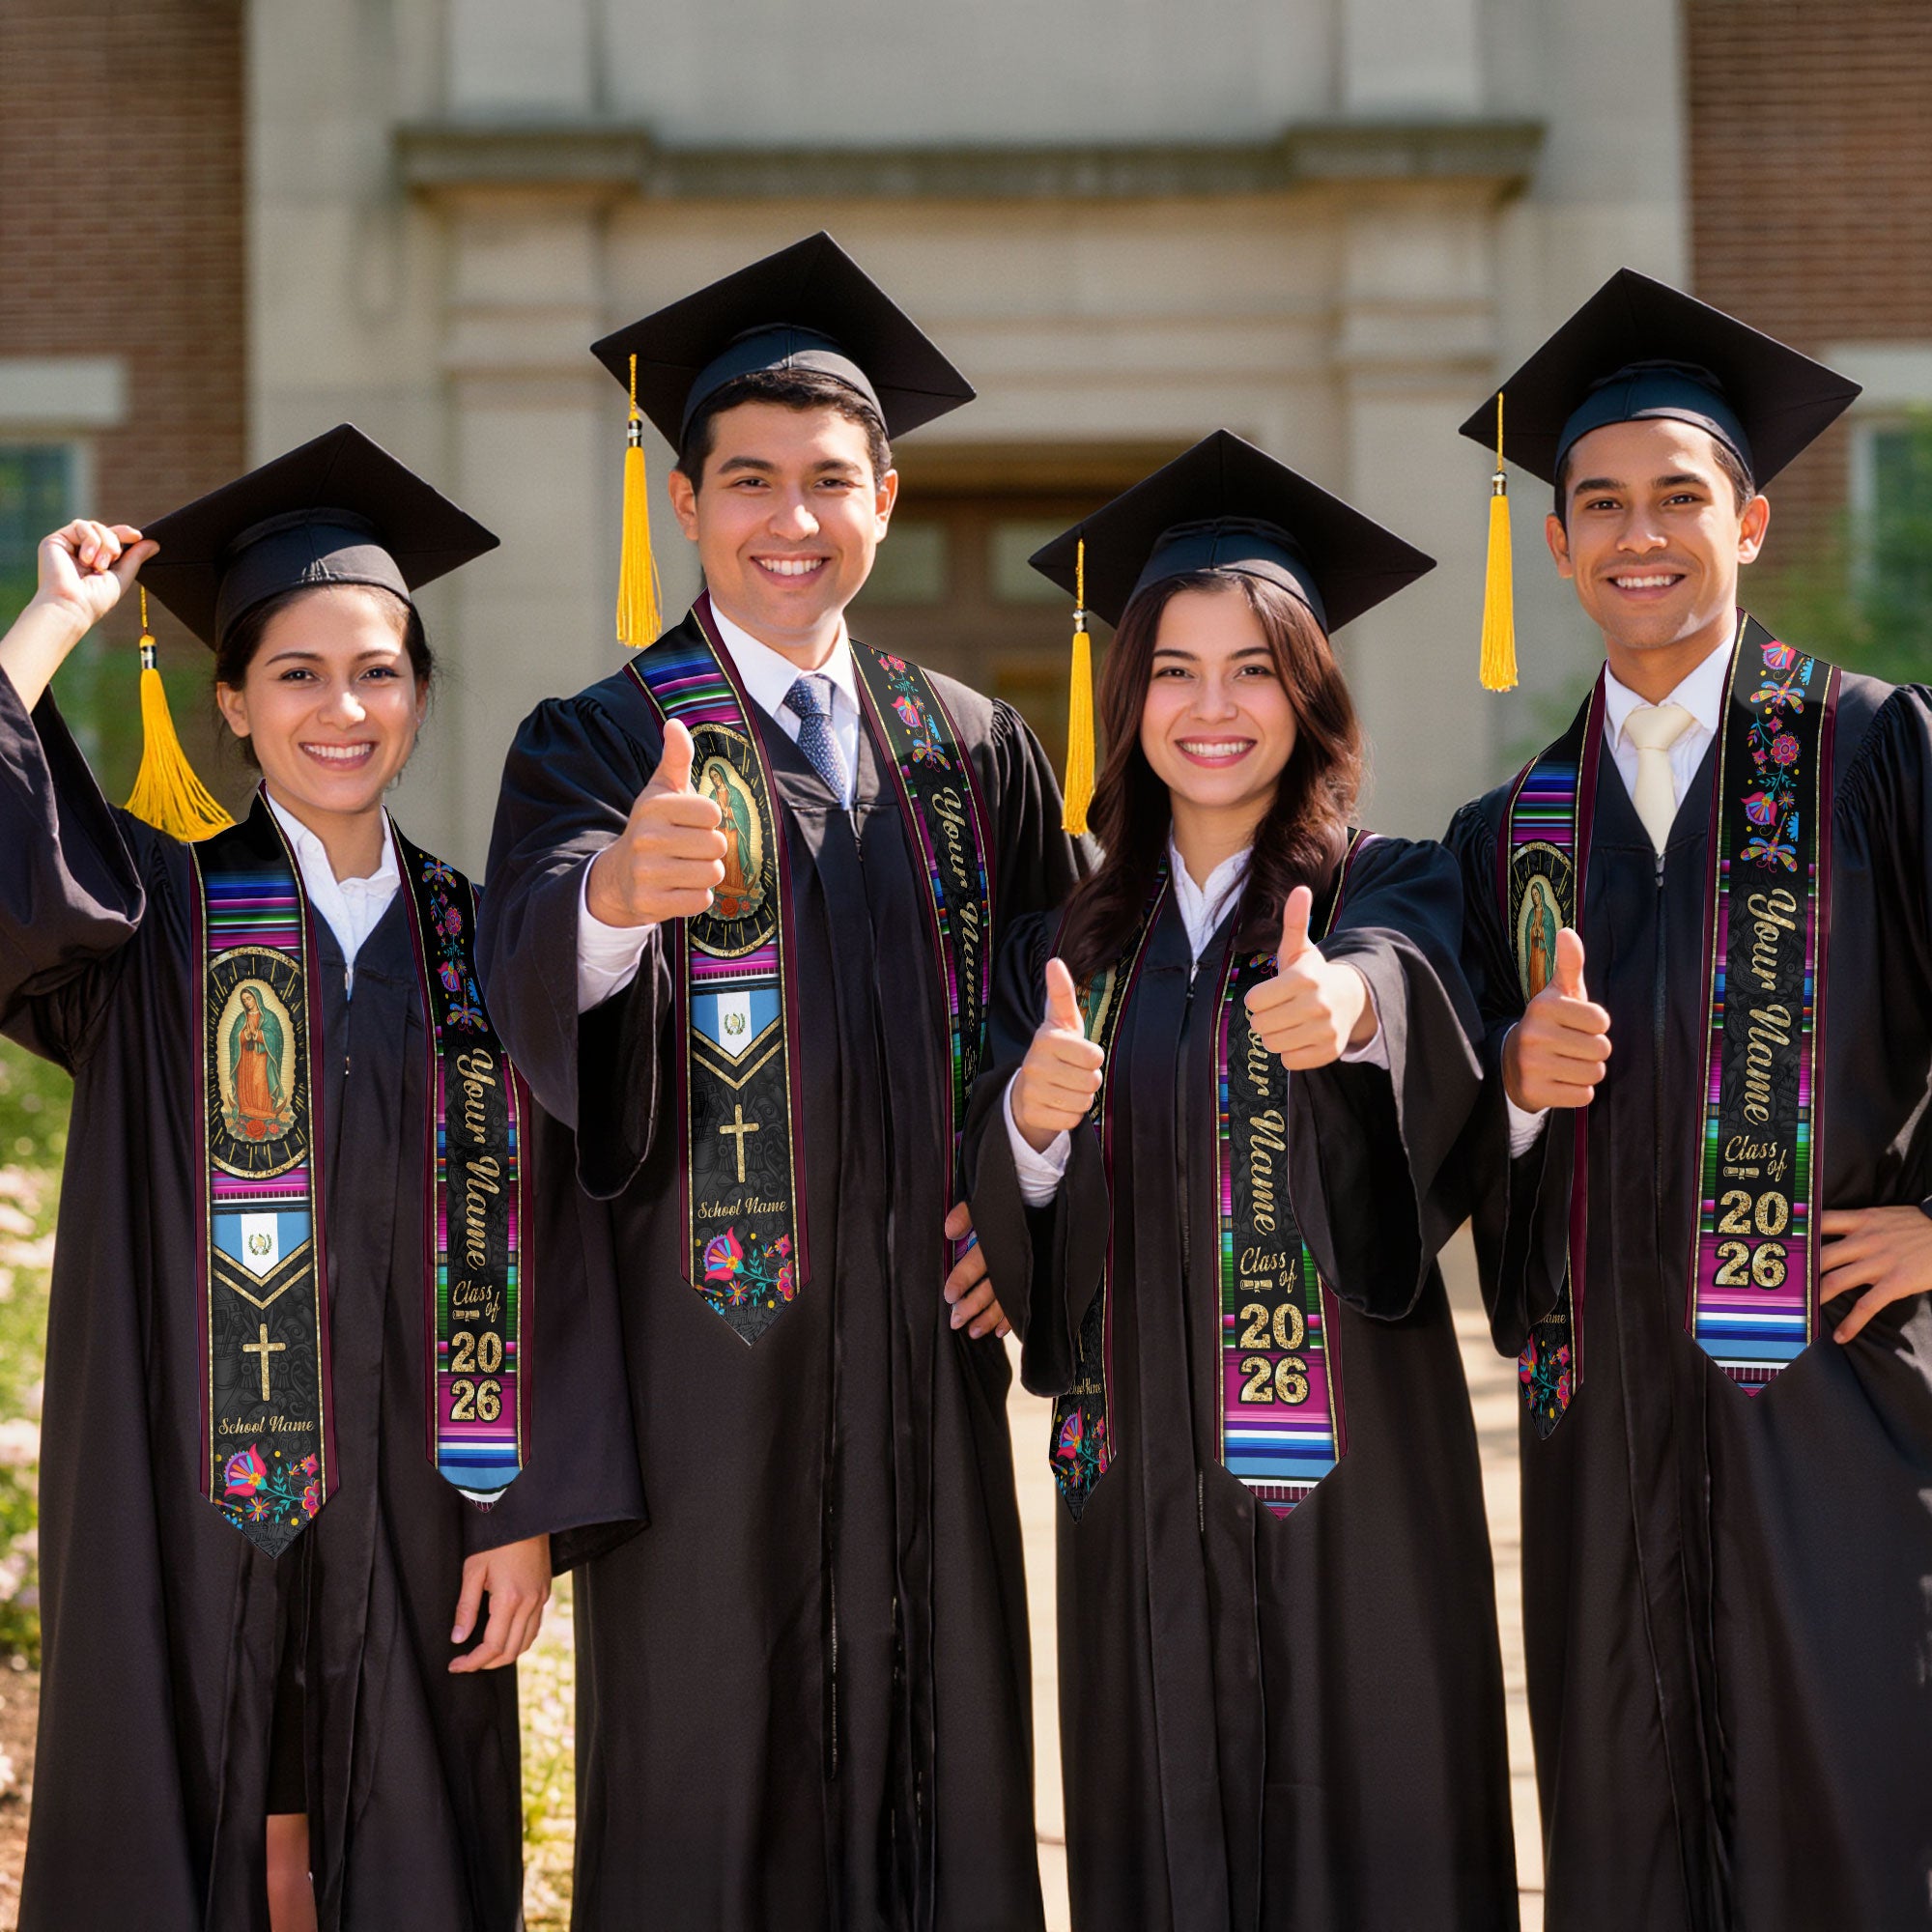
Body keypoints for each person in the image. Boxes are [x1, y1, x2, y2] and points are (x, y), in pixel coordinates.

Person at [478, 233, 1084, 1930]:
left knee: (943, 1772)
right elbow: (521, 972)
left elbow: (1078, 1008)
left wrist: (1027, 1208)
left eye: (831, 481)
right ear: (686, 503)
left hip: (922, 1366)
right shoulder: (601, 738)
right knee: (708, 1789)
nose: (791, 519)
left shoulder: (970, 745)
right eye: (750, 481)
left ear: (886, 497)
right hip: (706, 1380)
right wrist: (610, 899)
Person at [0, 425, 641, 1931]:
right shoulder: (152, 920)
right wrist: (51, 624)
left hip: (428, 1497)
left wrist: (526, 1506)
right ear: (231, 701)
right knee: (192, 1808)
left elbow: (557, 1242)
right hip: (184, 1489)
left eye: (378, 671)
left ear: (419, 694)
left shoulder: (491, 943)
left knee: (408, 1834)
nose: (341, 708)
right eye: (295, 673)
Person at [964, 432, 1518, 1930]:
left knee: (1378, 1828)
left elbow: (1414, 989)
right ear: (1127, 696)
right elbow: (1011, 1210)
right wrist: (1027, 1119)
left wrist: (1350, 1013)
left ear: (1311, 692)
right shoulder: (1062, 947)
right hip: (1138, 1476)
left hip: (1356, 1482)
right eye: (1175, 670)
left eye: (1256, 668)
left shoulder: (1388, 883)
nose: (1214, 709)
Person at [1446, 270, 1932, 1930]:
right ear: (1562, 543)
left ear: (1751, 520)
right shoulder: (1510, 832)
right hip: (1605, 1437)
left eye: (1677, 497)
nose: (1637, 534)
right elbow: (1444, 1143)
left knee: (1854, 1814)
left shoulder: (1873, 754)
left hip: (1837, 1408)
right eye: (1599, 504)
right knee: (1624, 1830)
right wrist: (1510, 1089)